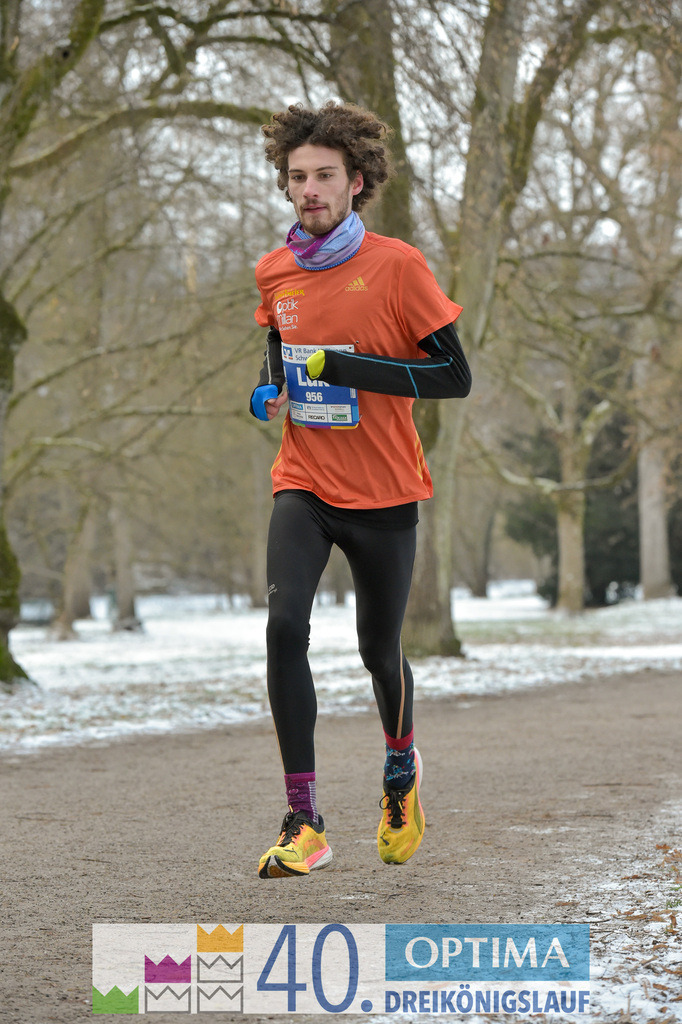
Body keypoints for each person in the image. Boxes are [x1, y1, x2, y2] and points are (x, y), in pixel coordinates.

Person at [249, 101, 471, 879]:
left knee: (379, 651)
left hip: (383, 492)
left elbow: (454, 376)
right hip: (304, 481)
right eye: (297, 176)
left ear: (357, 182)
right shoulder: (274, 271)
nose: (309, 189)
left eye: (324, 176)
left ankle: (402, 772)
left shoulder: (399, 266)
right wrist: (269, 386)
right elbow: (281, 345)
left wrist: (351, 369)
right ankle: (303, 818)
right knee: (283, 628)